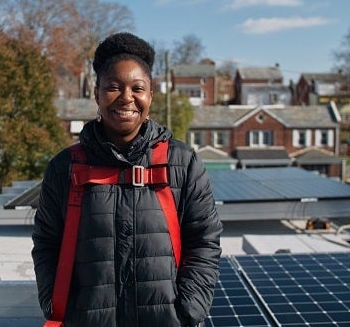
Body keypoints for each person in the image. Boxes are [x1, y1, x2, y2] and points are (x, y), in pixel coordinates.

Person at [32, 32, 222, 327]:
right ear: (96, 94)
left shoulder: (183, 164)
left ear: (150, 96)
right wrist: (57, 305)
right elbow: (46, 243)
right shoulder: (65, 168)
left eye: (138, 88)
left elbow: (204, 241)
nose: (126, 98)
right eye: (113, 87)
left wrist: (187, 312)